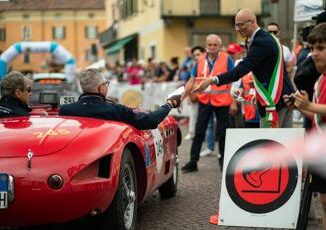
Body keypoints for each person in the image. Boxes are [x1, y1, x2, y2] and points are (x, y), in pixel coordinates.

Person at [191, 8, 294, 128]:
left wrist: (211, 80)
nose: (237, 29)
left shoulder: (260, 42)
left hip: (274, 101)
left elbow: (240, 71)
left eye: (240, 25)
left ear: (252, 22)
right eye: (236, 25)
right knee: (286, 143)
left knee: (268, 144)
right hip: (284, 97)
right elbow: (269, 70)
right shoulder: (267, 38)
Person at [287, 23, 326, 230]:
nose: (314, 54)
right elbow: (317, 119)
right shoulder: (319, 81)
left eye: (320, 48)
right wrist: (300, 107)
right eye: (311, 49)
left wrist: (309, 104)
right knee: (324, 203)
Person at [181, 34, 236, 173]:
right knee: (199, 131)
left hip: (222, 101)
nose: (212, 47)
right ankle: (193, 161)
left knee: (223, 133)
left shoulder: (226, 58)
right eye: (210, 45)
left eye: (215, 45)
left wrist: (233, 101)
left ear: (219, 46)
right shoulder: (200, 60)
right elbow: (192, 80)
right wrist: (182, 97)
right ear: (206, 45)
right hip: (205, 100)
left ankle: (224, 161)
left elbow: (233, 80)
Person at [59, 68, 181, 130]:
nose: (107, 87)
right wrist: (169, 104)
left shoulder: (65, 110)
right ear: (101, 88)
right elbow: (149, 121)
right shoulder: (115, 110)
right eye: (106, 84)